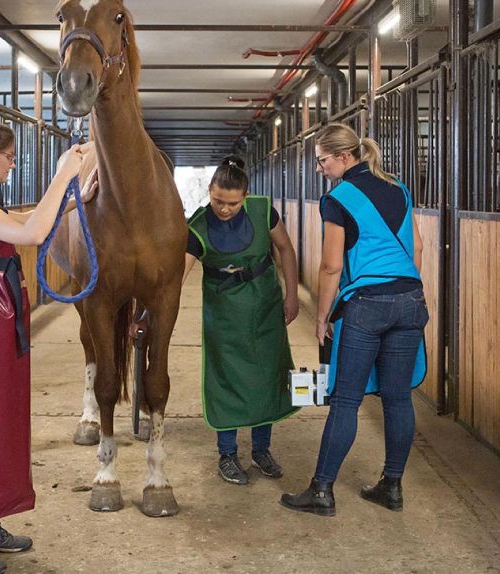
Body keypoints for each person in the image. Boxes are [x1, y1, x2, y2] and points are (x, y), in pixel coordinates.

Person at [0, 119, 95, 574]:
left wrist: (71, 202)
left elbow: (26, 222)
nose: (12, 164)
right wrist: (63, 174)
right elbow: (29, 235)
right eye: (9, 157)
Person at [280, 123, 427, 517]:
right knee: (398, 398)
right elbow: (418, 245)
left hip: (366, 305)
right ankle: (392, 486)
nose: (319, 169)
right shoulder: (398, 187)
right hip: (410, 300)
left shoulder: (339, 198)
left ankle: (322, 490)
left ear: (344, 157)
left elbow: (330, 267)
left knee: (345, 399)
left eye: (321, 161)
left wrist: (322, 316)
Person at [183, 155, 299, 485]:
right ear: (209, 190)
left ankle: (262, 450)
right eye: (218, 200)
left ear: (245, 196)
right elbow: (179, 274)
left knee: (266, 374)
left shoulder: (263, 211)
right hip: (224, 312)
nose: (224, 209)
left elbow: (285, 249)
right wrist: (148, 312)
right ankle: (228, 454)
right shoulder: (198, 226)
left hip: (264, 303)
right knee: (226, 378)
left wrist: (291, 294)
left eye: (233, 203)